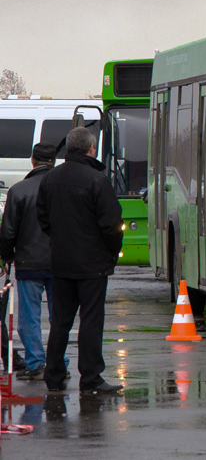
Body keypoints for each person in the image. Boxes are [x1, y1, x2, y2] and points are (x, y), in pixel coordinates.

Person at [37, 127, 124, 394]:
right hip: (92, 265)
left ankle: (53, 376)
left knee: (60, 321)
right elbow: (111, 225)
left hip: (61, 262)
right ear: (90, 149)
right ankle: (90, 378)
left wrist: (60, 240)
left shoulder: (51, 178)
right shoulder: (97, 180)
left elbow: (43, 218)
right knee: (91, 320)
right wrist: (110, 254)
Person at [0, 143, 57, 380]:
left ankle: (36, 362)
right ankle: (58, 363)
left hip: (28, 262)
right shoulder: (62, 190)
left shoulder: (19, 190)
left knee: (28, 318)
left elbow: (8, 230)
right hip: (60, 263)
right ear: (54, 162)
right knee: (59, 317)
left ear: (33, 161)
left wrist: (6, 255)